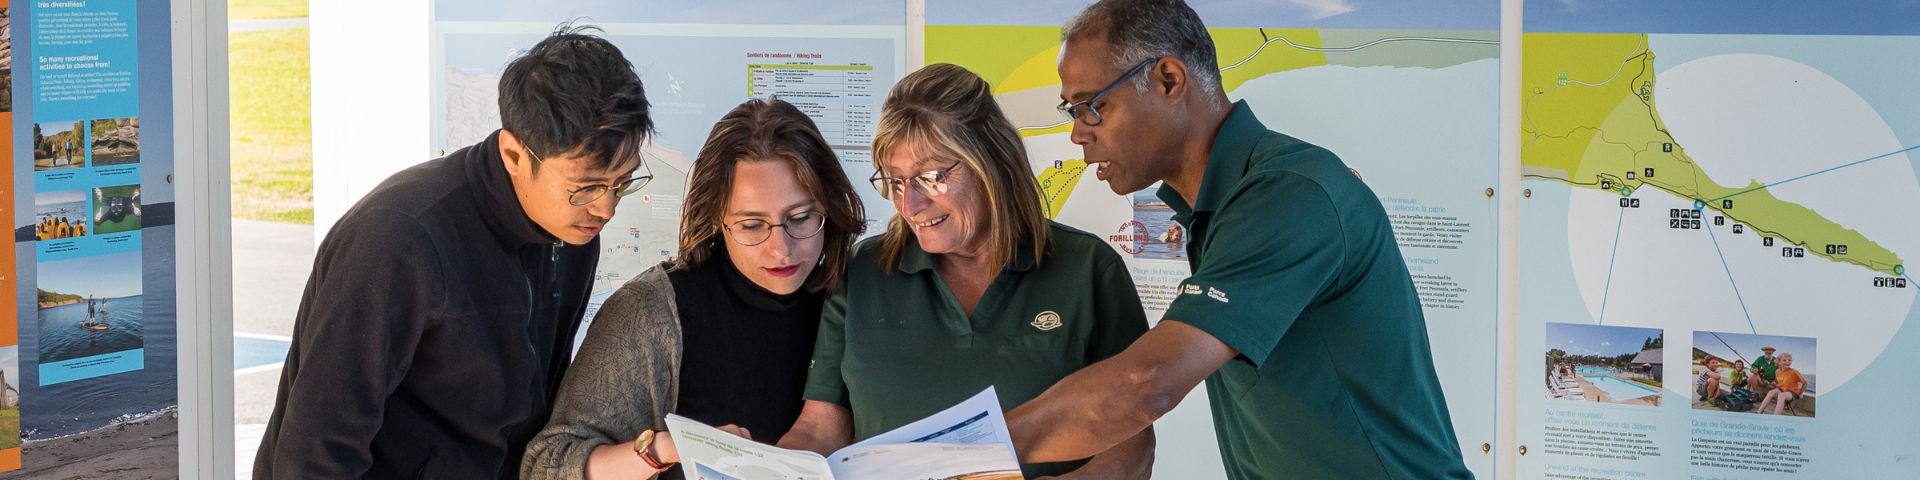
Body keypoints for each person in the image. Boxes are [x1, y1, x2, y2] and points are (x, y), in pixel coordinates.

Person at [1001, 1, 1472, 478]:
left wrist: (961, 449)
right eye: (1071, 111)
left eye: (1092, 107)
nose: (1078, 134)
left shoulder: (1288, 193)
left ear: (1168, 80)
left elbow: (1146, 384)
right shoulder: (1219, 206)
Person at [254, 24, 654, 479]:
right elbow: (315, 449)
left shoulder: (574, 229)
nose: (606, 208)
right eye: (585, 187)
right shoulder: (397, 239)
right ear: (514, 154)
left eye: (621, 182)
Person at [778, 63, 1154, 479]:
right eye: (896, 182)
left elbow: (1131, 444)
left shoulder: (1089, 270)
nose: (910, 205)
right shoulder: (863, 270)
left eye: (932, 177)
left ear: (991, 162)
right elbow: (819, 428)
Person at [521, 99, 866, 480]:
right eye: (752, 225)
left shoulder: (859, 296)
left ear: (829, 209)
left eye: (801, 218)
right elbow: (547, 466)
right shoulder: (649, 313)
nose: (780, 248)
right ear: (717, 219)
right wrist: (664, 450)